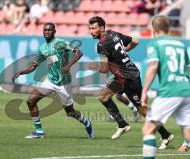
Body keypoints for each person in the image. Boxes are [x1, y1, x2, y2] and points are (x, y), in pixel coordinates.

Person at [88, 16, 173, 145]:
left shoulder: (102, 45)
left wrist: (95, 66)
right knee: (103, 96)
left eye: (93, 28)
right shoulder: (114, 34)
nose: (90, 31)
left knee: (142, 110)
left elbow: (104, 69)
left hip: (129, 78)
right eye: (90, 28)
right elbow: (135, 41)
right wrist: (126, 50)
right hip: (122, 76)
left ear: (102, 28)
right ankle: (122, 124)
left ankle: (166, 135)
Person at [12, 23, 93, 139]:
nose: (47, 32)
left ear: (54, 31)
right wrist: (21, 72)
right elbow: (34, 66)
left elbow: (79, 53)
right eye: (45, 30)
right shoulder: (42, 49)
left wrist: (68, 66)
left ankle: (87, 123)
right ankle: (39, 132)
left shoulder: (61, 43)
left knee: (70, 112)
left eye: (50, 30)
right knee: (31, 101)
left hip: (64, 83)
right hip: (49, 80)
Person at [141, 15, 190, 158]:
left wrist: (145, 91)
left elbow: (153, 66)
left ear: (154, 29)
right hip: (186, 90)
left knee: (148, 129)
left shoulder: (155, 44)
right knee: (187, 132)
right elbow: (188, 69)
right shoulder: (180, 44)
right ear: (167, 28)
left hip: (169, 91)